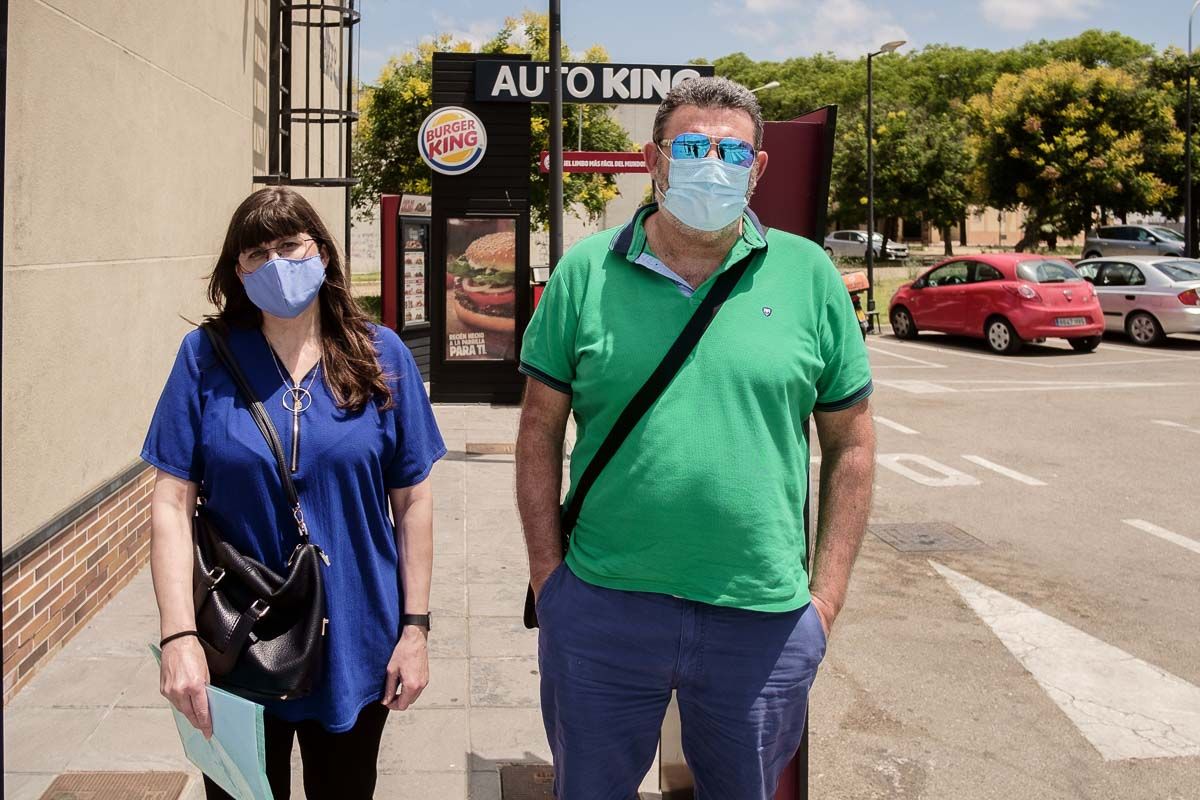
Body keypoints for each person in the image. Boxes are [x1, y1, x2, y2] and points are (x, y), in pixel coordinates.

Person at [516, 77, 876, 799]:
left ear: (758, 168)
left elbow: (853, 446)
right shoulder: (585, 273)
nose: (710, 163)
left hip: (761, 619)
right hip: (602, 609)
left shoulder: (810, 276)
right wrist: (550, 583)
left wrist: (825, 602)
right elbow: (536, 437)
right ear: (654, 159)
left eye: (730, 151)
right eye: (690, 146)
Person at [143, 187, 445, 799]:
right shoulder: (204, 358)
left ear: (324, 254)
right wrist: (178, 637)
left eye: (290, 246)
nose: (277, 265)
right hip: (237, 638)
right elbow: (171, 504)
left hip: (357, 636)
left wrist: (415, 630)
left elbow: (413, 502)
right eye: (257, 255)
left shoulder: (380, 354)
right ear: (237, 271)